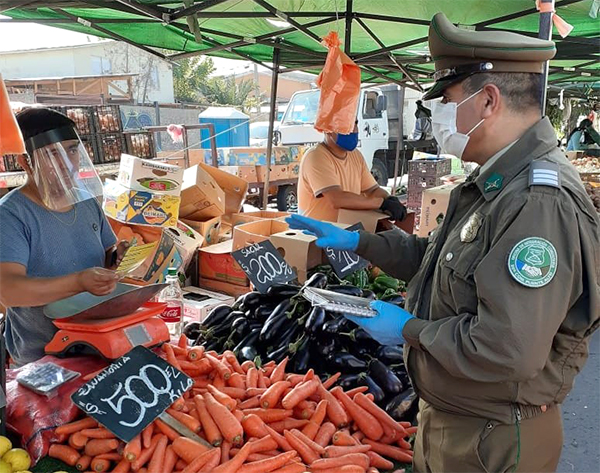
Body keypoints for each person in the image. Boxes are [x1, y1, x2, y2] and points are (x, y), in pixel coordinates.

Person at [287, 12, 599, 473]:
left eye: (448, 98)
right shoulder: (494, 184)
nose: (437, 114)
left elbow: (506, 349)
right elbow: (435, 260)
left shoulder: (537, 202)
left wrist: (408, 330)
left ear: (488, 101)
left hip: (493, 443)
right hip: (459, 425)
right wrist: (359, 243)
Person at [0, 108, 128, 366]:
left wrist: (119, 258)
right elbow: (8, 291)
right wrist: (80, 281)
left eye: (71, 150)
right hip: (44, 359)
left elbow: (105, 256)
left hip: (99, 342)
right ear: (26, 162)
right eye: (53, 154)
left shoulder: (85, 200)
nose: (68, 163)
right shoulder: (10, 215)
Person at [297, 119, 406, 222]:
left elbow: (372, 190)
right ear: (327, 129)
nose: (353, 129)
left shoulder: (356, 155)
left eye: (355, 123)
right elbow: (337, 199)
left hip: (345, 232)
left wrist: (389, 199)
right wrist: (381, 203)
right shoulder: (316, 156)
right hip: (314, 236)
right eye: (345, 123)